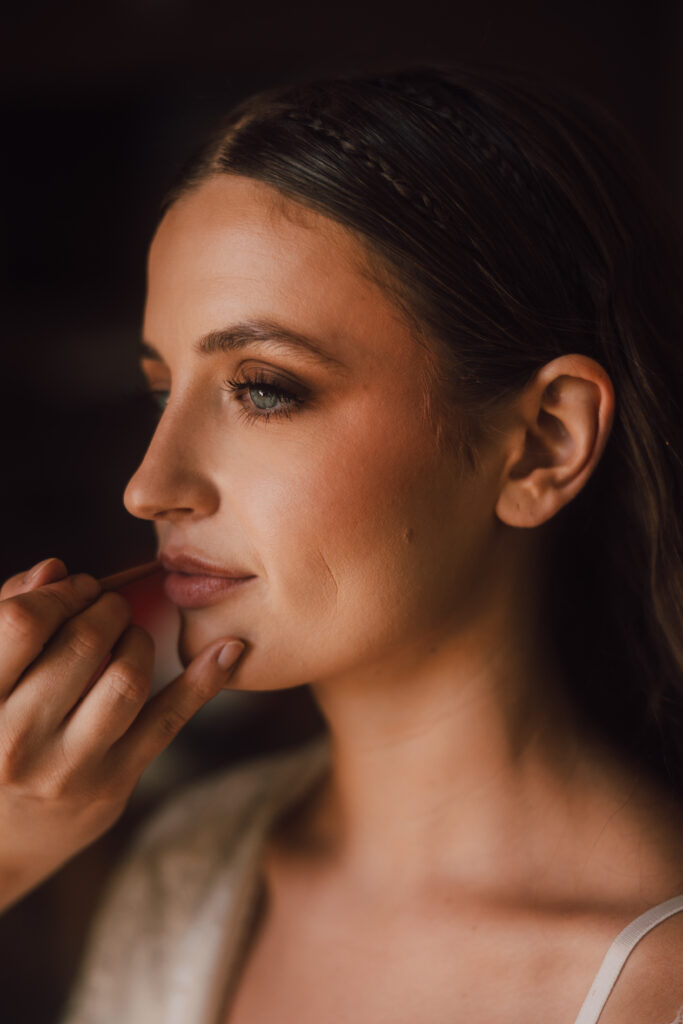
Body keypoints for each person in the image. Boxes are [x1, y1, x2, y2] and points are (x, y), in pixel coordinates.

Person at [1, 61, 682, 1023]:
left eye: (264, 388)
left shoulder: (657, 982)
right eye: (162, 393)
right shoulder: (186, 865)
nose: (149, 486)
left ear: (542, 444)